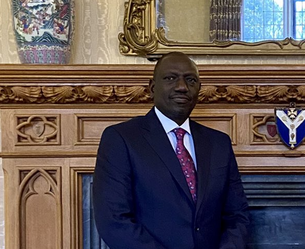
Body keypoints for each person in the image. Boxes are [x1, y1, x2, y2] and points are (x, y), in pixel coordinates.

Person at [93, 52, 250, 249]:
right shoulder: (121, 138)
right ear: (152, 87)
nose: (182, 87)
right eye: (170, 78)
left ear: (198, 89)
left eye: (190, 80)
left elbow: (237, 215)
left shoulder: (219, 144)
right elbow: (113, 220)